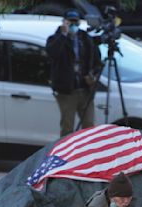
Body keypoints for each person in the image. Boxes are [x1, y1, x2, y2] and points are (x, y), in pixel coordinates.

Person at [46, 9, 101, 137]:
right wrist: (63, 35)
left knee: (89, 126)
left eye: (75, 22)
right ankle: (67, 154)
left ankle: (87, 153)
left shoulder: (85, 39)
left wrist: (92, 75)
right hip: (67, 92)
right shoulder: (55, 38)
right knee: (67, 128)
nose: (73, 25)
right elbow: (53, 54)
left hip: (85, 89)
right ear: (64, 22)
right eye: (70, 22)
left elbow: (96, 61)